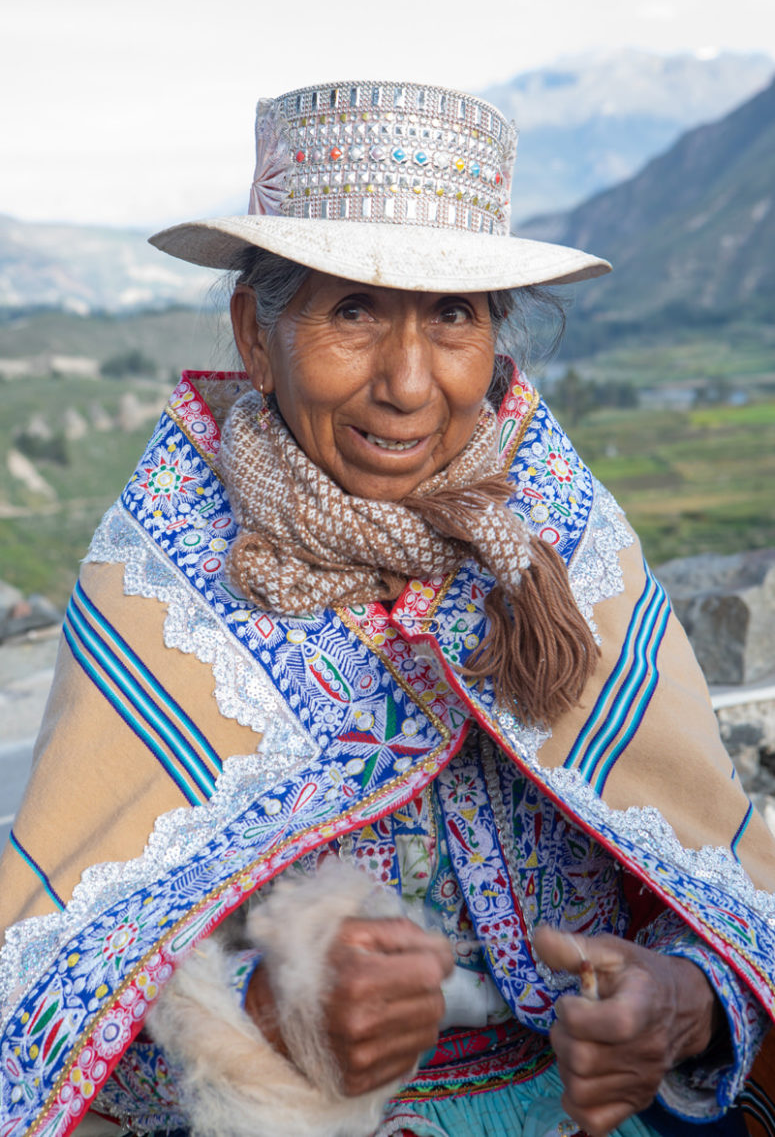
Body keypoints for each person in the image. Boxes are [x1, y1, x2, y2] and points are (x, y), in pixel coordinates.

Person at [1, 79, 775, 1137]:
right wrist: (266, 1016)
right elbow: (46, 991)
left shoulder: (560, 541)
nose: (408, 382)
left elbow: (720, 878)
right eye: (353, 311)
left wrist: (682, 1003)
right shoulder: (166, 577)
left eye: (451, 316)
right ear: (254, 334)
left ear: (495, 338)